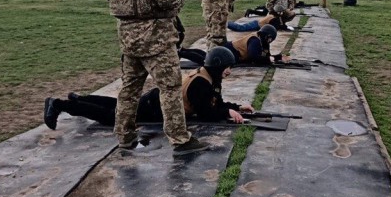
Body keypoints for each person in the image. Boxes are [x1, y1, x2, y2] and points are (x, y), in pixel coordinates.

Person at [105, 0, 206, 156]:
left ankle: (124, 135)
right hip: (156, 39)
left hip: (128, 37)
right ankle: (180, 139)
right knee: (170, 88)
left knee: (129, 89)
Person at [43, 46, 254, 130]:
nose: (229, 72)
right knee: (112, 117)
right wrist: (227, 112)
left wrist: (235, 107)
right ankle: (60, 105)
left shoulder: (208, 78)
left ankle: (79, 99)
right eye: (227, 68)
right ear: (217, 66)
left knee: (118, 104)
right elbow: (207, 112)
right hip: (155, 107)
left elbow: (214, 103)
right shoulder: (201, 83)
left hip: (155, 100)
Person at [224, 24, 290, 66]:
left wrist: (279, 57)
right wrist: (268, 59)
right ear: (266, 36)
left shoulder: (263, 40)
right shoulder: (255, 40)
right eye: (269, 39)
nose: (270, 41)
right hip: (229, 51)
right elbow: (254, 57)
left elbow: (267, 56)